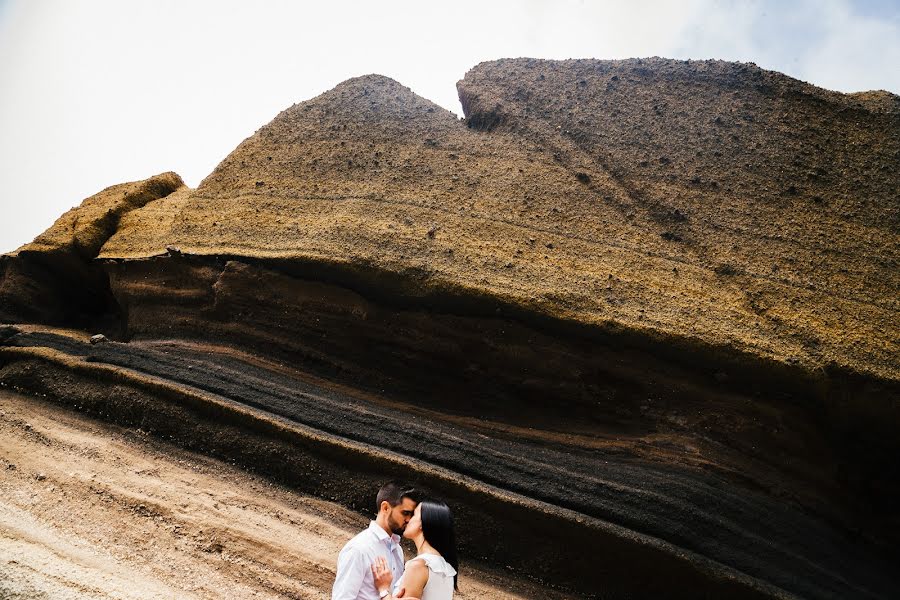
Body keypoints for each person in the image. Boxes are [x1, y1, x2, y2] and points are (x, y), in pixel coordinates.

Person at [332, 482, 421, 600]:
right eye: (405, 513)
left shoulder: (397, 549)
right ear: (385, 508)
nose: (409, 520)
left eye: (412, 515)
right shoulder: (358, 549)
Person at [371, 499, 458, 600]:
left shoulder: (418, 566)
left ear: (422, 523)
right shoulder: (447, 569)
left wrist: (384, 590)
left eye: (413, 515)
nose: (407, 519)